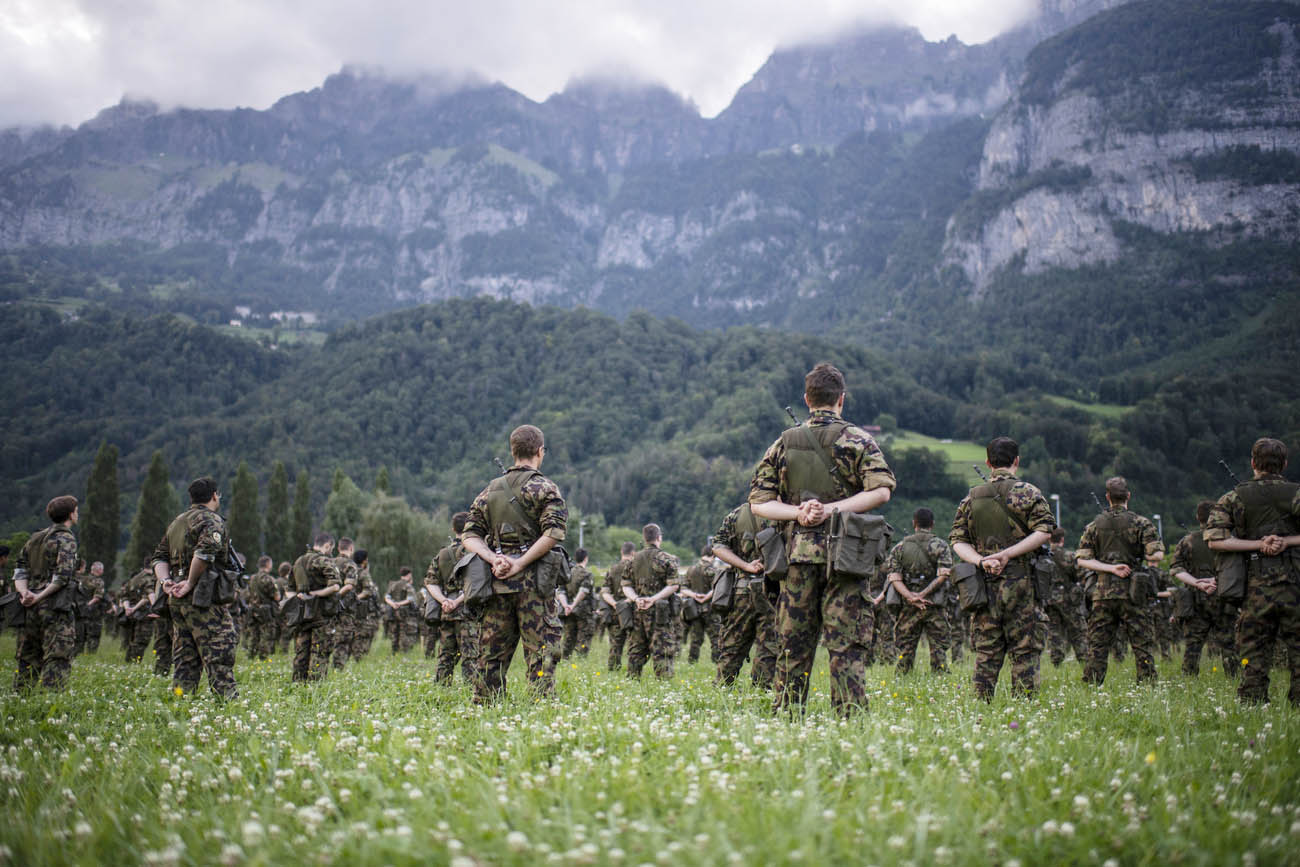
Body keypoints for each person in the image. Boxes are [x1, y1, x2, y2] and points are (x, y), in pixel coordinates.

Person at [750, 363, 895, 714]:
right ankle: (849, 717)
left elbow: (759, 503)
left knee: (792, 645)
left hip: (797, 557)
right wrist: (834, 510)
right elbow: (881, 491)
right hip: (846, 557)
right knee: (846, 645)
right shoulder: (860, 439)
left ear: (807, 399)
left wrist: (800, 513)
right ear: (841, 400)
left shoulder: (784, 443)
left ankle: (787, 715)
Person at [461, 424, 568, 701]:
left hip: (498, 583)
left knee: (491, 656)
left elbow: (469, 535)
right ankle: (542, 711)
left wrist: (494, 557)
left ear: (513, 452)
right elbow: (553, 533)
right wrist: (520, 563)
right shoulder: (545, 488)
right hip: (535, 586)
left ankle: (485, 712)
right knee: (541, 654)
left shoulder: (489, 491)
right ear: (539, 451)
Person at [950, 437, 1056, 701]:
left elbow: (957, 540)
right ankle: (1023, 709)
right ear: (1016, 462)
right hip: (1023, 584)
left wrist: (981, 560)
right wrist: (1007, 554)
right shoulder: (1030, 493)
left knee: (986, 653)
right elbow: (1045, 531)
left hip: (985, 585)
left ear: (988, 462)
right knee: (1025, 652)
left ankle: (980, 708)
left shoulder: (971, 498)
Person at [1206, 437, 1300, 706]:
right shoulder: (1295, 493)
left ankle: (1253, 704)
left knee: (1254, 652)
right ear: (1284, 464)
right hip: (1296, 585)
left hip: (1256, 587)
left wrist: (1259, 543)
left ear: (1252, 463)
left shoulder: (1235, 496)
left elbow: (1215, 540)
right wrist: (1286, 541)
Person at [151, 477, 240, 699]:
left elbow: (158, 558)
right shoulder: (211, 521)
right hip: (204, 597)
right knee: (220, 649)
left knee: (184, 656)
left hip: (177, 600)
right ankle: (227, 703)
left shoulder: (177, 523)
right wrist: (190, 582)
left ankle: (182, 702)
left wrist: (166, 582)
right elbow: (204, 553)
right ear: (214, 496)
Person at [1076, 476, 1164, 687]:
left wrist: (1109, 567)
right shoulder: (1142, 523)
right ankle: (1147, 686)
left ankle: (1091, 687)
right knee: (1142, 644)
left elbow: (1082, 560)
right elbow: (1156, 557)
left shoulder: (1094, 525)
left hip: (1103, 593)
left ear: (1107, 497)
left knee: (1097, 646)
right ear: (1128, 496)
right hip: (1134, 592)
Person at [12, 496, 80, 691]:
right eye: (76, 510)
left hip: (30, 606)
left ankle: (21, 698)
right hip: (55, 605)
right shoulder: (66, 538)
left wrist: (25, 593)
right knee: (58, 655)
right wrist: (41, 596)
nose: (77, 513)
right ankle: (51, 701)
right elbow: (62, 577)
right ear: (70, 514)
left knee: (28, 655)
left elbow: (20, 570)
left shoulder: (35, 538)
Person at [710, 504, 780, 689]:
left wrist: (745, 565)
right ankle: (761, 692)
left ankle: (723, 688)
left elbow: (717, 546)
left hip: (742, 589)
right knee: (770, 645)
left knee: (732, 644)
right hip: (774, 591)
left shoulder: (737, 514)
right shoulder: (784, 510)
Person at [884, 508, 953, 675]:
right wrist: (923, 594)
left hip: (908, 605)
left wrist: (911, 597)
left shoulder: (899, 547)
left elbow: (894, 578)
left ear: (914, 523)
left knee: (905, 648)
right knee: (938, 648)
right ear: (932, 524)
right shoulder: (941, 545)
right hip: (934, 603)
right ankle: (940, 681)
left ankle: (902, 680)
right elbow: (944, 575)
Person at [426, 512, 482, 687]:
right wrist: (458, 602)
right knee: (470, 656)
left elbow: (430, 582)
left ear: (453, 529)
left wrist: (445, 601)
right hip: (468, 612)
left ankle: (441, 690)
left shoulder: (442, 554)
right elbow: (477, 585)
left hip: (447, 613)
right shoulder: (475, 552)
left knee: (446, 655)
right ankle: (470, 691)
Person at [622, 524, 681, 680]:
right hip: (660, 614)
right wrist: (653, 599)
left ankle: (632, 683)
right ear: (659, 537)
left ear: (644, 538)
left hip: (637, 612)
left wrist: (637, 599)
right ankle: (663, 686)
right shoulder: (667, 559)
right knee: (662, 651)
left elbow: (625, 586)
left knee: (635, 651)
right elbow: (673, 585)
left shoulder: (632, 560)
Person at [290, 533, 342, 681]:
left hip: (302, 614)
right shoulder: (324, 560)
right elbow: (335, 586)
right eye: (330, 548)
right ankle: (315, 688)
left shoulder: (299, 561)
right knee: (320, 652)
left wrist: (300, 598)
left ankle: (298, 684)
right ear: (327, 546)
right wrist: (315, 594)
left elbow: (289, 589)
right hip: (322, 615)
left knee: (301, 652)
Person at [1044, 528, 1088, 666]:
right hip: (1068, 598)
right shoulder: (1069, 556)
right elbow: (1080, 575)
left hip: (1049, 598)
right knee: (1077, 630)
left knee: (1054, 631)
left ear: (1049, 539)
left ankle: (1056, 661)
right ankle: (1084, 658)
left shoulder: (1044, 557)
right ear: (1062, 539)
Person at [600, 543, 637, 671]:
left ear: (621, 552)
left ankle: (613, 670)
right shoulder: (635, 568)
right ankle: (633, 672)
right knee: (634, 644)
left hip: (615, 612)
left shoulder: (612, 569)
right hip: (632, 611)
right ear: (633, 553)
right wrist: (628, 601)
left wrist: (615, 604)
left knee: (615, 645)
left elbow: (604, 592)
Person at [681, 546, 718, 664]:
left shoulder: (691, 569)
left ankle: (692, 662)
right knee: (715, 637)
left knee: (696, 638)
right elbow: (717, 588)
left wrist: (694, 595)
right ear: (712, 556)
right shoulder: (713, 570)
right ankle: (716, 661)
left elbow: (682, 588)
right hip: (710, 609)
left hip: (694, 609)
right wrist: (706, 597)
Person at [558, 548, 596, 658]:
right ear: (586, 558)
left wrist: (566, 606)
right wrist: (573, 605)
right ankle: (581, 659)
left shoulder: (568, 573)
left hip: (568, 611)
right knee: (584, 636)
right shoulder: (587, 574)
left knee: (569, 636)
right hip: (583, 611)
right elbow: (584, 591)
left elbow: (561, 591)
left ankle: (565, 658)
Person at [331, 538, 361, 668]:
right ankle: (338, 666)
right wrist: (337, 596)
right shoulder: (350, 564)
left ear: (338, 548)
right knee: (343, 639)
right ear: (351, 549)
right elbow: (349, 586)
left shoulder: (330, 562)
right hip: (344, 608)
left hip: (327, 606)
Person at [246, 555, 281, 660]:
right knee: (267, 633)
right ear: (267, 564)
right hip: (265, 610)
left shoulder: (252, 578)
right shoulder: (268, 579)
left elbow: (248, 594)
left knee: (254, 633)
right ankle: (263, 656)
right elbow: (276, 596)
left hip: (253, 609)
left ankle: (251, 655)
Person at [120, 565, 157, 663]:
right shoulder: (149, 578)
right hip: (145, 614)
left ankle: (128, 661)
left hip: (132, 615)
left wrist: (128, 608)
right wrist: (156, 608)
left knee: (133, 639)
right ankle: (135, 662)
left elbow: (124, 596)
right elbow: (147, 597)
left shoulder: (134, 579)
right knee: (141, 641)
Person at [350, 549, 381, 660]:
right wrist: (356, 598)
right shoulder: (363, 573)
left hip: (349, 608)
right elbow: (368, 591)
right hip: (361, 609)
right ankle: (358, 658)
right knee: (362, 634)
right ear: (364, 560)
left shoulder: (350, 570)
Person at [385, 567, 420, 654]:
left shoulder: (393, 584)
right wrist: (399, 604)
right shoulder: (408, 586)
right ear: (408, 575)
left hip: (392, 612)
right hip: (405, 614)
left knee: (394, 632)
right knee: (405, 632)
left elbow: (386, 597)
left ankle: (394, 651)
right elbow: (410, 599)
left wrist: (393, 604)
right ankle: (404, 651)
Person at [75, 561, 107, 655]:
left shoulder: (83, 579)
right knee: (94, 636)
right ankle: (90, 656)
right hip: (94, 613)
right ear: (100, 570)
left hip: (80, 611)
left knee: (80, 635)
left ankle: (78, 654)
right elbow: (97, 597)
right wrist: (88, 605)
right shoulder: (99, 581)